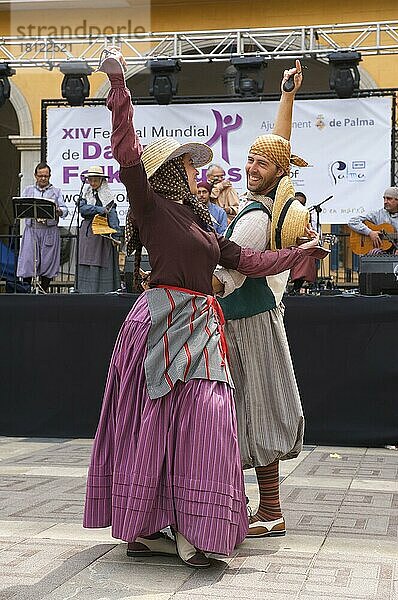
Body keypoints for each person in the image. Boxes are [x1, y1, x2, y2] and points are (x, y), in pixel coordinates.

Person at [83, 50, 323, 568]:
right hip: (161, 325)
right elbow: (126, 151)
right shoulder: (151, 205)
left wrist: (299, 254)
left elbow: (252, 260)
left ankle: (195, 527)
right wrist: (119, 84)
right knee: (159, 426)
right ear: (170, 172)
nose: (201, 172)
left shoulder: (203, 225)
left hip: (199, 329)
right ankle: (151, 528)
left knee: (209, 424)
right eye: (191, 165)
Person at [214, 60, 312, 539]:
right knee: (251, 412)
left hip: (247, 322)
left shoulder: (257, 215)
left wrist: (181, 279)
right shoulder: (268, 201)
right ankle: (267, 511)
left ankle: (267, 511)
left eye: (261, 163)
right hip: (251, 320)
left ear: (277, 174)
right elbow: (282, 147)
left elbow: (227, 278)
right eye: (249, 158)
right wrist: (287, 97)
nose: (252, 166)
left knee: (251, 412)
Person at [16, 162, 67, 293]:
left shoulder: (56, 192)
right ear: (35, 176)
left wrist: (58, 210)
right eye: (40, 176)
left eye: (46, 176)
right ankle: (26, 290)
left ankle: (44, 290)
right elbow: (21, 207)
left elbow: (65, 210)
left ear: (49, 176)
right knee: (28, 260)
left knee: (48, 261)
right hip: (32, 230)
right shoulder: (28, 190)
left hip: (49, 230)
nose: (43, 178)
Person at [78, 165, 121, 293]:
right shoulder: (86, 193)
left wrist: (116, 234)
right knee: (87, 261)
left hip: (102, 233)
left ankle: (102, 291)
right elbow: (83, 210)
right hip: (88, 232)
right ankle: (85, 291)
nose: (93, 183)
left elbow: (112, 213)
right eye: (90, 180)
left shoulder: (107, 195)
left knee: (101, 260)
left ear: (102, 180)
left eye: (95, 180)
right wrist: (100, 210)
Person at [348, 187, 398, 254]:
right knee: (374, 253)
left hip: (395, 251)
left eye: (389, 199)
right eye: (384, 198)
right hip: (380, 251)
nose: (385, 202)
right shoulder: (378, 214)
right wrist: (370, 232)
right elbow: (352, 222)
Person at [289, 192, 317, 294]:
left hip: (299, 245)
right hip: (283, 244)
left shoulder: (308, 216)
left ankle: (297, 287)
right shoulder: (283, 213)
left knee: (307, 254)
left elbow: (316, 233)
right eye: (297, 203)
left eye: (302, 203)